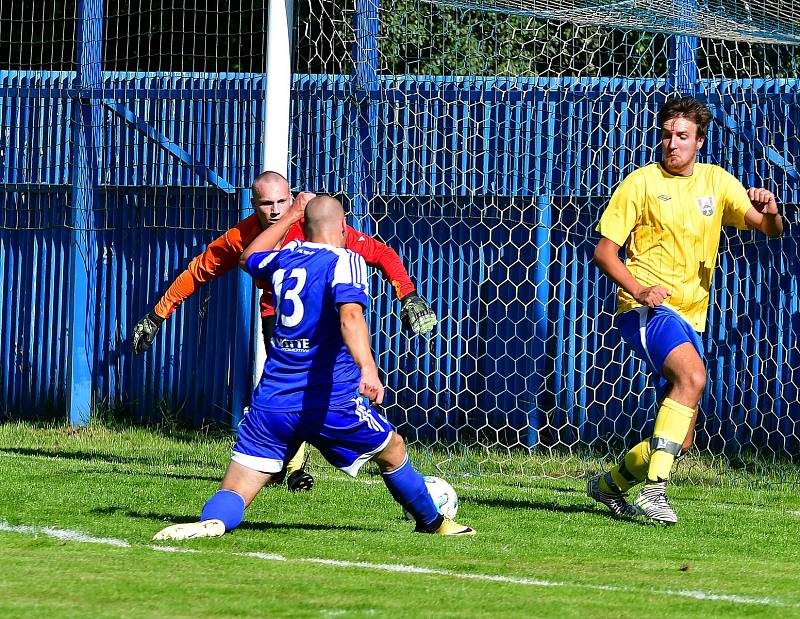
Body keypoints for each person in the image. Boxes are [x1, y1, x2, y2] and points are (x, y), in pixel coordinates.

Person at [152, 196, 475, 540]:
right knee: (393, 448)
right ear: (342, 226)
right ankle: (433, 523)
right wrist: (368, 369)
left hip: (272, 402)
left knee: (236, 489)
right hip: (329, 402)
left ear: (302, 227)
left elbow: (247, 257)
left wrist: (289, 215)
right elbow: (350, 316)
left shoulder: (283, 258)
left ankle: (214, 521)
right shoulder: (346, 260)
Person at [132, 171, 437, 491]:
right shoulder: (242, 236)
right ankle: (288, 466)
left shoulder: (312, 227)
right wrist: (157, 316)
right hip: (277, 318)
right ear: (253, 204)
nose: (275, 209)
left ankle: (291, 463)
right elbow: (199, 271)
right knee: (289, 389)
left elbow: (381, 253)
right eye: (266, 203)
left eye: (282, 201)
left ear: (293, 200)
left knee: (314, 390)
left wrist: (408, 294)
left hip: (325, 321)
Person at [587, 97, 783, 524]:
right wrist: (639, 289)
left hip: (691, 318)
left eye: (681, 136)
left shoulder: (716, 182)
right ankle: (655, 492)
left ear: (699, 141)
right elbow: (604, 253)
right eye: (666, 134)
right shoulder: (639, 184)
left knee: (681, 439)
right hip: (645, 311)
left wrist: (771, 210)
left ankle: (609, 486)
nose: (671, 144)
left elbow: (768, 228)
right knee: (694, 376)